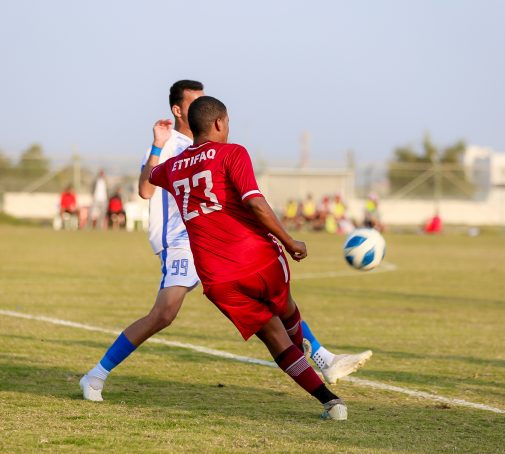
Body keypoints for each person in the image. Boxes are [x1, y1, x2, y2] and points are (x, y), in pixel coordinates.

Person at [80, 81, 370, 404]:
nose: (199, 105)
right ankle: (97, 373)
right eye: (194, 101)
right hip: (180, 241)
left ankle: (322, 359)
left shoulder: (201, 148)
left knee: (274, 302)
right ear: (179, 110)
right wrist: (157, 146)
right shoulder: (172, 144)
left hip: (214, 244)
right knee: (164, 314)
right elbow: (146, 189)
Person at [148, 96, 348, 419]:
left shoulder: (172, 168)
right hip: (258, 258)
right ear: (219, 123)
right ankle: (319, 357)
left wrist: (157, 145)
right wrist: (289, 241)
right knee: (287, 309)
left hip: (218, 278)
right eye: (228, 122)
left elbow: (150, 176)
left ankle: (331, 402)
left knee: (274, 338)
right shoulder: (232, 152)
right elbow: (255, 202)